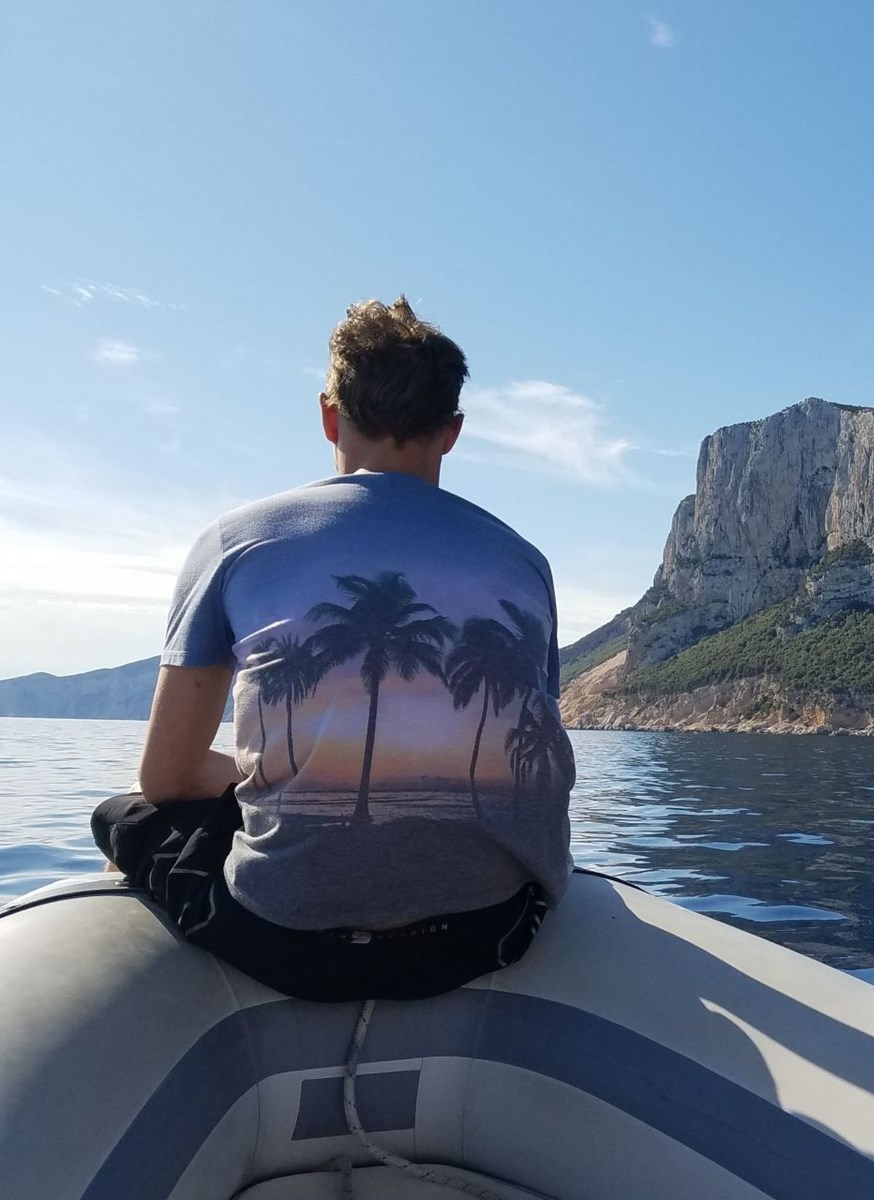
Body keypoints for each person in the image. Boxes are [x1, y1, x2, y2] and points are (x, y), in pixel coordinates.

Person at [92, 297, 574, 1002]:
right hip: (487, 933)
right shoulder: (524, 562)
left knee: (126, 814)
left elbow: (167, 776)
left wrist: (284, 775)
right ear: (451, 432)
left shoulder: (234, 542)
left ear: (328, 415)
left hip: (285, 943)